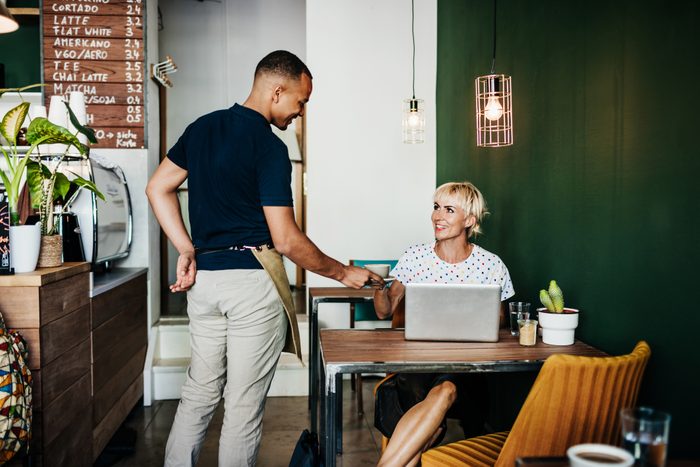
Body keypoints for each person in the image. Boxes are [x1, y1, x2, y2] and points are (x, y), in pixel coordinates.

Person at [145, 50, 381, 467]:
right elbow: (287, 240)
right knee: (242, 407)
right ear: (277, 90)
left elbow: (158, 188)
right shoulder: (270, 148)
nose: (300, 113)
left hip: (205, 283)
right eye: (300, 101)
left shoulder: (201, 129)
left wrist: (186, 247)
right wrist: (343, 272)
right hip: (252, 284)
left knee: (198, 394)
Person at [372, 181, 515, 467]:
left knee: (447, 389)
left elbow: (499, 321)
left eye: (449, 210)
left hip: (468, 366)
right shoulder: (415, 257)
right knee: (434, 413)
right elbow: (384, 312)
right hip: (418, 364)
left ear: (470, 220)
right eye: (436, 207)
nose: (438, 216)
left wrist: (469, 316)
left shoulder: (491, 264)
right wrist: (377, 286)